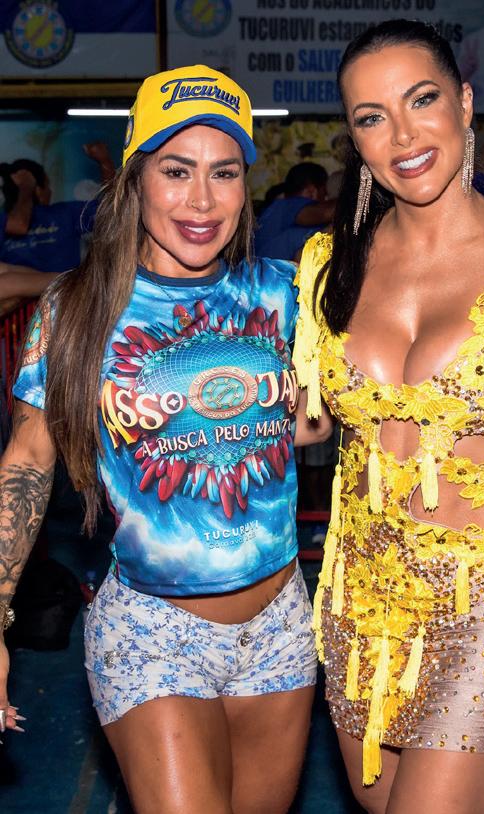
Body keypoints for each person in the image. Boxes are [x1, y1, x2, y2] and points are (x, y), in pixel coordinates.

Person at [0, 65, 332, 813]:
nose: (202, 200)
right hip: (153, 632)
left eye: (224, 173)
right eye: (177, 171)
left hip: (281, 627)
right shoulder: (76, 309)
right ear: (135, 179)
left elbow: (411, 267)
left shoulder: (287, 291)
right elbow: (26, 461)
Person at [294, 20, 484, 814]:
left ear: (464, 103)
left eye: (421, 100)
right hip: (360, 606)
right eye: (372, 116)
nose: (402, 135)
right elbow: (306, 423)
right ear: (355, 138)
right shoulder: (327, 268)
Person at [0, 143, 115, 273]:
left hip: (59, 286)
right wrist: (105, 161)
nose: (50, 191)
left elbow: (107, 213)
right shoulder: (64, 214)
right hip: (61, 284)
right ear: (38, 190)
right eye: (47, 185)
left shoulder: (67, 213)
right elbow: (109, 209)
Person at [254, 161, 334, 261]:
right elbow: (326, 213)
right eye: (324, 193)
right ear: (311, 192)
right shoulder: (284, 207)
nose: (326, 199)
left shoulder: (287, 223)